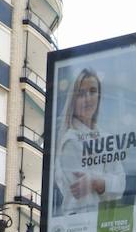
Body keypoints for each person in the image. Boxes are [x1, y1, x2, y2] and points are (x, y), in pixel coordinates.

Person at [54, 68, 126, 220]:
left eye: (93, 91)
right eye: (81, 93)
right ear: (73, 100)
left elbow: (121, 184)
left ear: (99, 96)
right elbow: (82, 194)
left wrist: (95, 181)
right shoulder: (70, 141)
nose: (88, 99)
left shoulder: (106, 138)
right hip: (78, 227)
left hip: (104, 224)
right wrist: (105, 183)